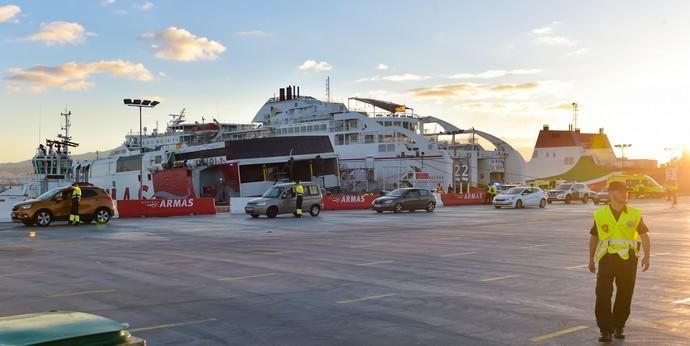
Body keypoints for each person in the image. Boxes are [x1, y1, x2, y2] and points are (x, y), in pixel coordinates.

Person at [589, 181, 651, 342]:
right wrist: (590, 259)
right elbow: (594, 236)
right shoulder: (601, 214)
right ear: (611, 194)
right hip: (606, 259)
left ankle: (618, 325)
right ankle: (605, 330)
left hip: (628, 260)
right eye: (621, 191)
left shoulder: (634, 213)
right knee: (602, 294)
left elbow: (644, 235)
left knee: (625, 294)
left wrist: (647, 256)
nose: (625, 194)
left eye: (626, 191)